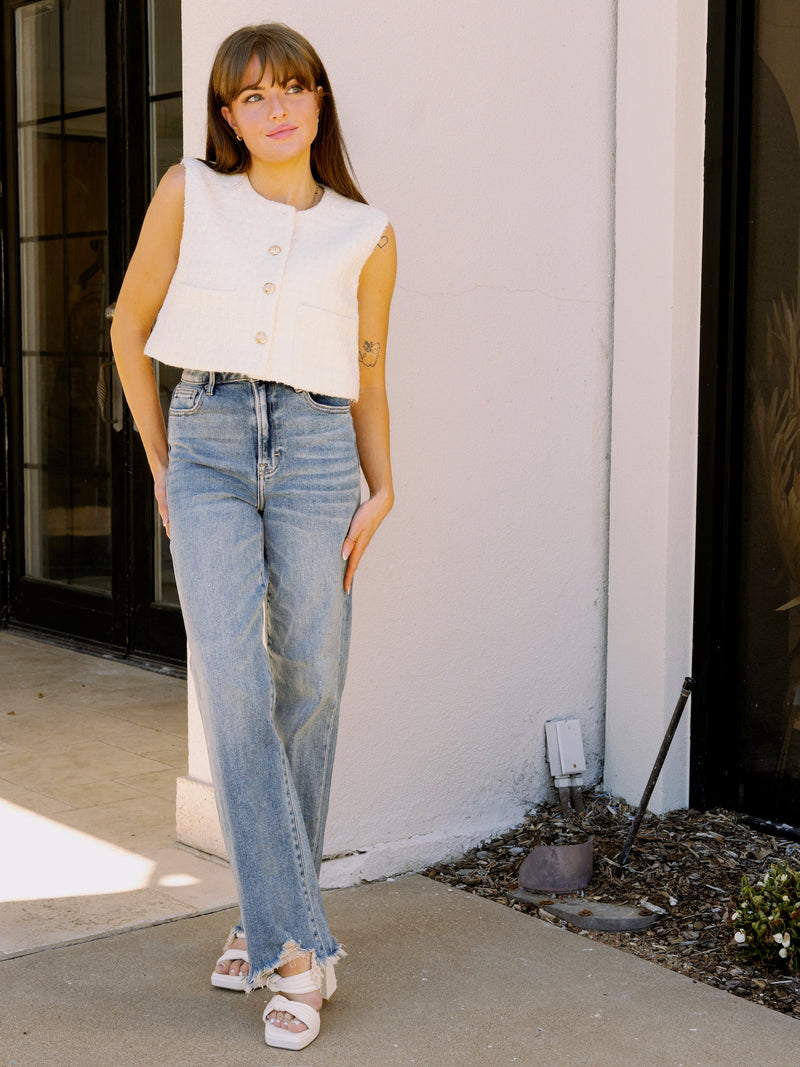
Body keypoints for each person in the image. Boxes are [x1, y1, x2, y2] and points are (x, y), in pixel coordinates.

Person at [110, 22, 395, 1052]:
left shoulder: (365, 234)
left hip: (322, 454)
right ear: (226, 117)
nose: (277, 109)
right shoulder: (191, 191)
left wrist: (384, 483)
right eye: (253, 96)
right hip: (211, 441)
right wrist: (158, 457)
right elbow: (126, 325)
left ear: (318, 102)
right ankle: (293, 950)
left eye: (295, 89)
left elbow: (367, 369)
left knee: (310, 683)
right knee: (233, 677)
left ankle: (255, 913)